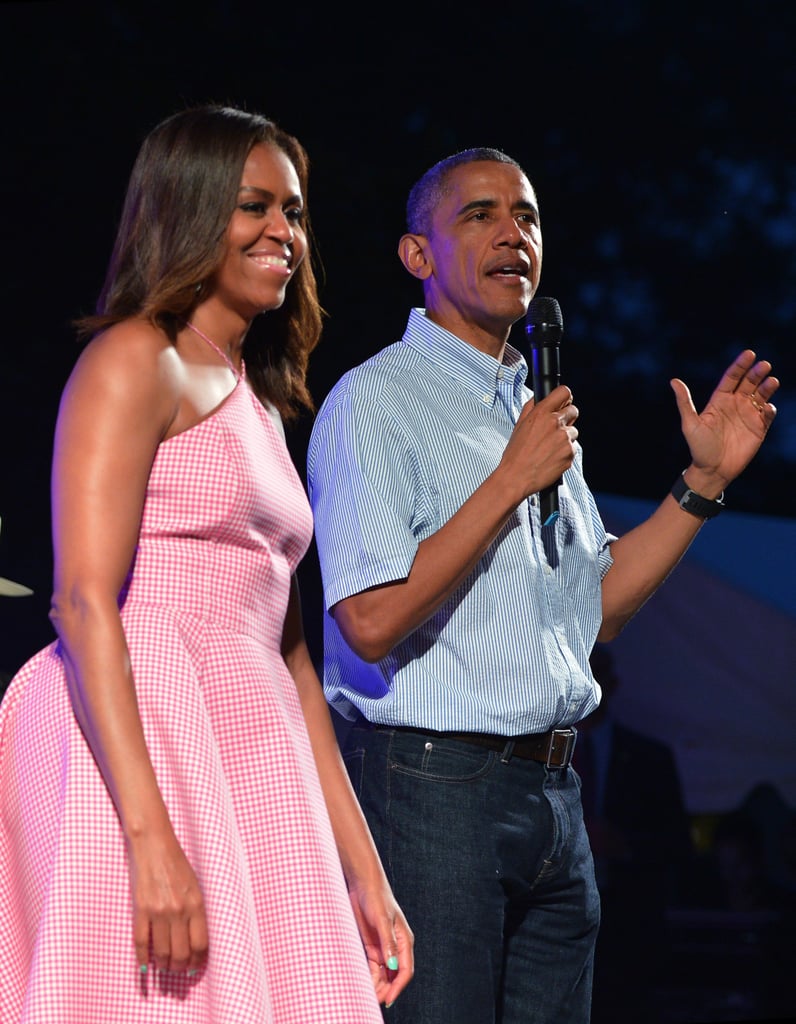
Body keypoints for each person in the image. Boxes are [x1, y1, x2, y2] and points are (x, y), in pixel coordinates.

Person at [305, 146, 778, 1024]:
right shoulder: (375, 401)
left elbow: (593, 614)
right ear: (418, 255)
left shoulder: (536, 410)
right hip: (430, 787)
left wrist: (702, 487)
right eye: (478, 215)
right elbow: (367, 622)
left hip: (557, 797)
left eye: (524, 215)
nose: (511, 233)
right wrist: (510, 480)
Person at [0, 104, 413, 1024]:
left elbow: (295, 661)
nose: (283, 233)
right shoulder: (134, 358)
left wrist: (365, 871)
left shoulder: (261, 404)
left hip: (251, 742)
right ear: (186, 213)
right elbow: (80, 601)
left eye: (295, 213)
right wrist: (150, 838)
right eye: (254, 207)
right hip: (146, 735)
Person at [577, 644, 693, 1023]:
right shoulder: (544, 752)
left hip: (631, 924)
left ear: (613, 683)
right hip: (561, 913)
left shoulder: (649, 757)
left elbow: (678, 843)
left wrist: (624, 847)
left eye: (598, 676)